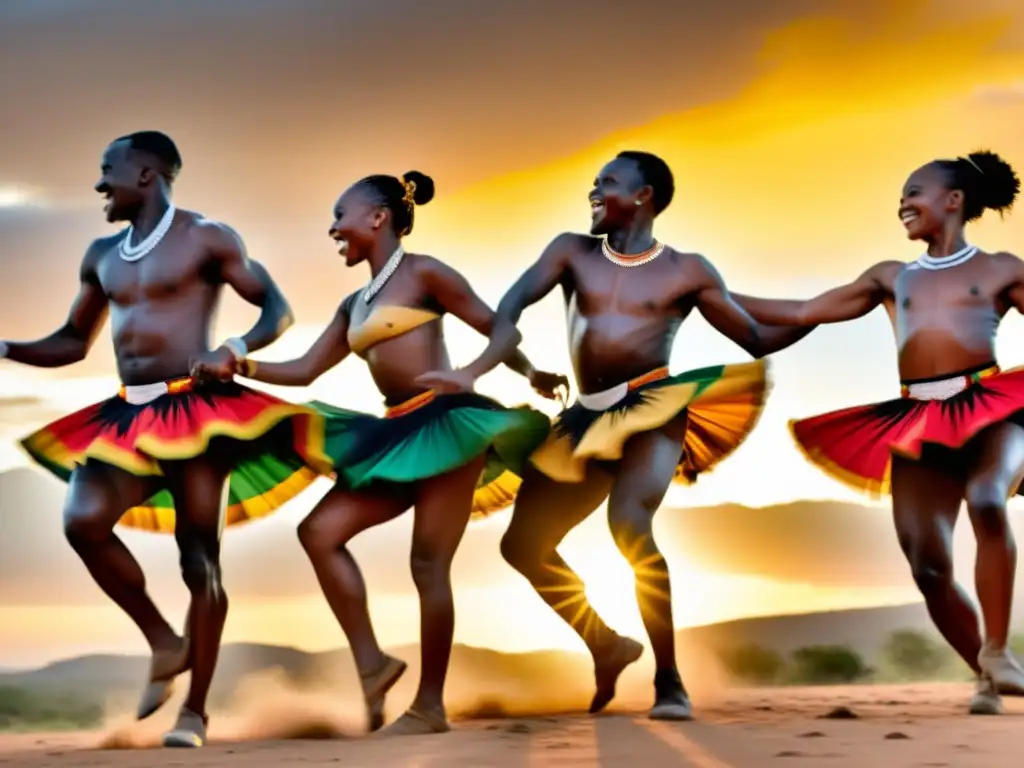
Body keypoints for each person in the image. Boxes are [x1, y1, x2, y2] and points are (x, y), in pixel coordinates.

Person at [416, 151, 811, 720]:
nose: (593, 191)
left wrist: (822, 314)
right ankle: (606, 644)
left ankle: (670, 680)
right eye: (594, 182)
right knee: (522, 546)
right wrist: (475, 371)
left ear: (644, 194)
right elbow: (511, 306)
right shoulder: (571, 251)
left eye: (607, 183)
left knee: (628, 525)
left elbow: (754, 338)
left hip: (652, 410)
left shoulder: (686, 270)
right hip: (583, 419)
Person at [198, 170, 564, 736]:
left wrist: (487, 374)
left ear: (378, 217)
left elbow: (501, 331)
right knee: (319, 533)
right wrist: (238, 364)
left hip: (448, 427)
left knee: (427, 564)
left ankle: (430, 706)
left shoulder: (425, 273)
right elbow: (305, 369)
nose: (332, 228)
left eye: (340, 215)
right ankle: (373, 663)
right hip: (392, 435)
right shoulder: (354, 302)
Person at [0, 131, 332, 747]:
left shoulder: (208, 236)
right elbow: (73, 342)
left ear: (147, 174)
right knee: (83, 518)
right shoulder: (100, 253)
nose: (100, 185)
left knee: (199, 561)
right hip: (129, 416)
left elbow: (276, 309)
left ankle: (195, 714)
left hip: (200, 413)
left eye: (109, 171)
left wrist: (234, 349)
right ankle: (163, 640)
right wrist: (4, 347)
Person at [730, 149, 1024, 715]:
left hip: (991, 409)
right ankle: (986, 677)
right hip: (919, 420)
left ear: (953, 201)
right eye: (901, 197)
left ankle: (1000, 649)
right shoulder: (891, 278)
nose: (903, 205)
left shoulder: (1001, 269)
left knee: (989, 499)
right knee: (928, 565)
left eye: (914, 193)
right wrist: (708, 293)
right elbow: (799, 312)